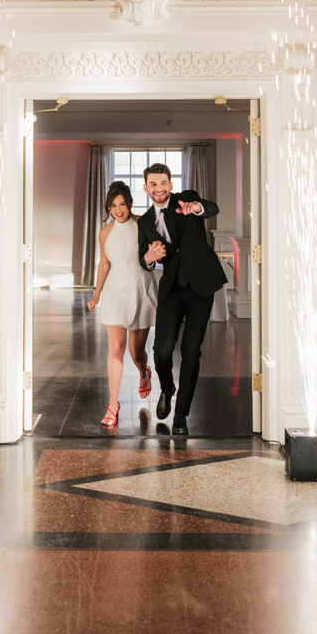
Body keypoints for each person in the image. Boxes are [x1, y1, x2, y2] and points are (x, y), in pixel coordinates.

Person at [138, 162, 226, 435]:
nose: (159, 188)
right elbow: (145, 256)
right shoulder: (144, 222)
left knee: (191, 350)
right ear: (146, 188)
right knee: (162, 350)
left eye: (163, 183)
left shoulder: (186, 199)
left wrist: (197, 208)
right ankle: (167, 388)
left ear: (170, 184)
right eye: (153, 184)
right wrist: (148, 259)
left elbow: (211, 208)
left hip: (201, 285)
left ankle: (181, 415)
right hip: (171, 289)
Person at [88, 181, 158, 428]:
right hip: (115, 290)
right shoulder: (105, 232)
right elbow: (104, 264)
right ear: (109, 207)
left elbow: (154, 253)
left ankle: (143, 371)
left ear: (129, 204)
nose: (119, 209)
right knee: (115, 348)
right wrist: (97, 295)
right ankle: (113, 404)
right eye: (114, 205)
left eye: (123, 204)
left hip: (140, 286)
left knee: (134, 352)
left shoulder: (142, 224)